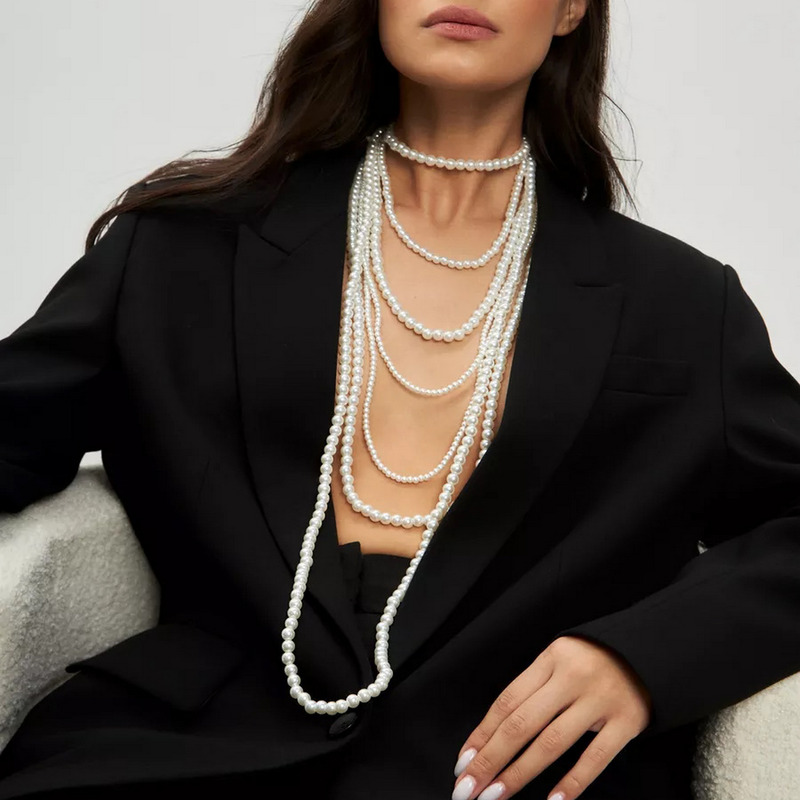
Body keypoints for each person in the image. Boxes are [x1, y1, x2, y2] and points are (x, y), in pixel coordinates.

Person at [1, 1, 799, 798]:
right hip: (186, 752)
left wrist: (644, 656)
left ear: (568, 10)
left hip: (501, 775)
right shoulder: (181, 248)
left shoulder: (684, 305)